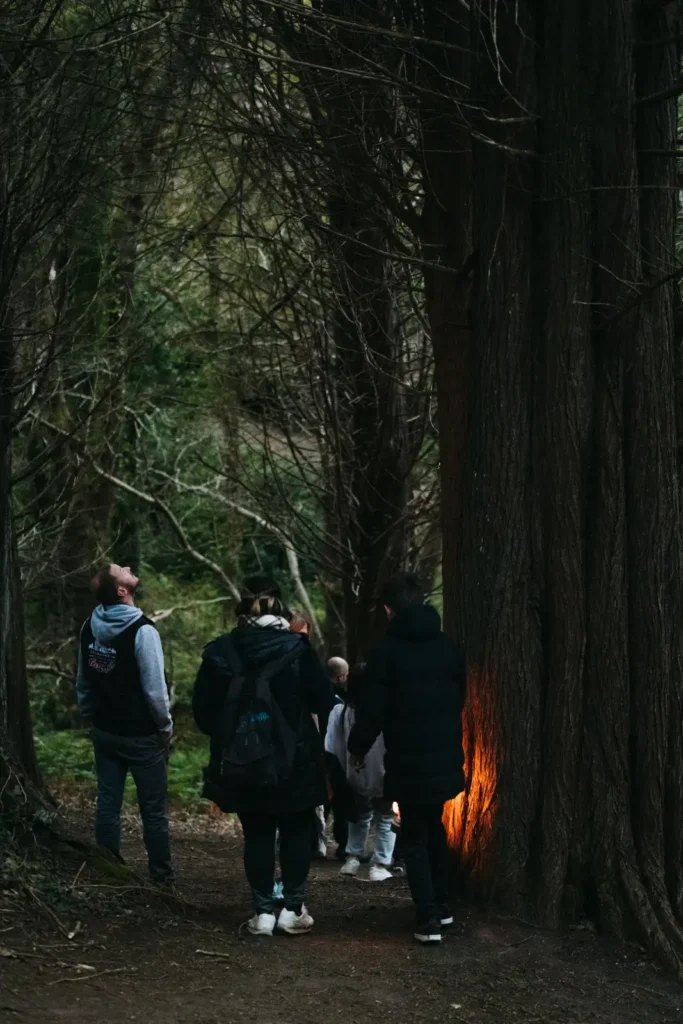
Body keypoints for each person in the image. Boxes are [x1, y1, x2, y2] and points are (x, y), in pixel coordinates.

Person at [192, 575, 334, 937]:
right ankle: (293, 908)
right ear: (280, 606)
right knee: (295, 831)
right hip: (295, 760)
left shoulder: (221, 652)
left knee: (256, 832)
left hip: (243, 762)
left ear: (242, 605)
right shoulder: (299, 650)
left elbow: (203, 714)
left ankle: (262, 912)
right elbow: (323, 701)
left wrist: (240, 737)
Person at [348, 573, 466, 944]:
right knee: (434, 830)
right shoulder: (448, 647)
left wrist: (357, 748)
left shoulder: (386, 652)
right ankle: (443, 908)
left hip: (409, 758)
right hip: (445, 755)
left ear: (388, 609)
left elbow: (373, 711)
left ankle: (428, 915)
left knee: (414, 835)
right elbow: (458, 697)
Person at [75, 564, 174, 885]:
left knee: (107, 803)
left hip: (104, 730)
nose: (128, 567)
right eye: (121, 570)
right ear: (122, 591)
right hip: (141, 734)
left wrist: (89, 715)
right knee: (153, 810)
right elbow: (155, 690)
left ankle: (110, 873)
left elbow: (83, 681)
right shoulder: (143, 631)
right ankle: (162, 880)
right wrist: (165, 728)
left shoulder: (90, 626)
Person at [325, 663, 396, 882]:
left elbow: (332, 745)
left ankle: (353, 857)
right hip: (385, 773)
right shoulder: (388, 711)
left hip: (354, 775)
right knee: (385, 818)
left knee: (359, 817)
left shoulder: (342, 711)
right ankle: (380, 864)